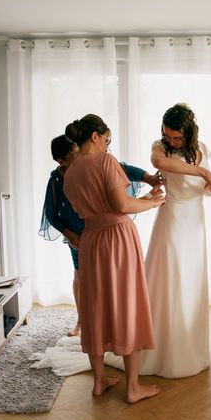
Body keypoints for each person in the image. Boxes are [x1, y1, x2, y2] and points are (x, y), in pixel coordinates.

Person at [63, 114, 164, 404]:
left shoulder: (69, 173)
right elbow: (120, 206)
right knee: (127, 302)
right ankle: (133, 388)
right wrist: (154, 201)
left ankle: (99, 382)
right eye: (106, 139)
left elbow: (100, 208)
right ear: (95, 136)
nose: (108, 145)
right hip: (118, 239)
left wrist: (143, 199)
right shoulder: (106, 162)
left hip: (91, 241)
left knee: (95, 306)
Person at [39, 134, 161, 337]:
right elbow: (51, 214)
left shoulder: (96, 164)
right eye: (72, 157)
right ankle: (83, 320)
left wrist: (148, 178)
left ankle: (117, 320)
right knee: (82, 276)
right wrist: (69, 235)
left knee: (113, 276)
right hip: (78, 236)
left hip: (109, 229)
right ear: (60, 161)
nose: (77, 158)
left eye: (78, 152)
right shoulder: (57, 180)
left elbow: (123, 168)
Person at [139, 102, 211, 378]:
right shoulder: (160, 148)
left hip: (195, 223)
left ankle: (188, 350)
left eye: (177, 137)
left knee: (190, 283)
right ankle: (160, 351)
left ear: (189, 133)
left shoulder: (202, 150)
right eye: (168, 135)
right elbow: (160, 164)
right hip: (172, 220)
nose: (171, 140)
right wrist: (203, 172)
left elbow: (204, 191)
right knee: (170, 280)